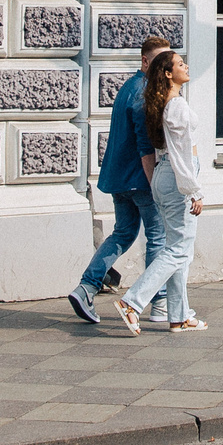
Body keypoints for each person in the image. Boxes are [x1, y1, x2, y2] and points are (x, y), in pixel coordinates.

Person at [67, 35, 171, 325]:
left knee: (123, 234)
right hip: (139, 179)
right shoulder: (144, 94)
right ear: (145, 61)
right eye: (160, 61)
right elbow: (144, 146)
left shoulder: (128, 87)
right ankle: (159, 301)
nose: (165, 68)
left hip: (118, 178)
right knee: (158, 238)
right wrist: (155, 186)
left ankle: (86, 287)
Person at [117, 50, 206, 336]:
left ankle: (180, 316)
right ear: (168, 73)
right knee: (178, 250)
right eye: (180, 64)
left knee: (178, 250)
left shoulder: (159, 103)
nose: (186, 66)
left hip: (164, 176)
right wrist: (194, 190)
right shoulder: (176, 105)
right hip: (178, 176)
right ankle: (132, 302)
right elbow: (182, 154)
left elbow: (162, 151)